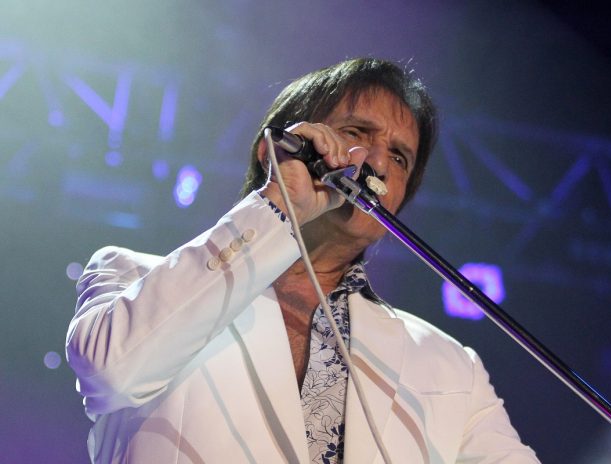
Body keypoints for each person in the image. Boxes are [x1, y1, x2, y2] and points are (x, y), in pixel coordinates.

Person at [66, 58, 539, 463]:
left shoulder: (451, 366)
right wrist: (279, 205)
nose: (377, 164)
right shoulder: (132, 275)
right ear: (277, 149)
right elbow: (111, 375)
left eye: (399, 157)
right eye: (356, 133)